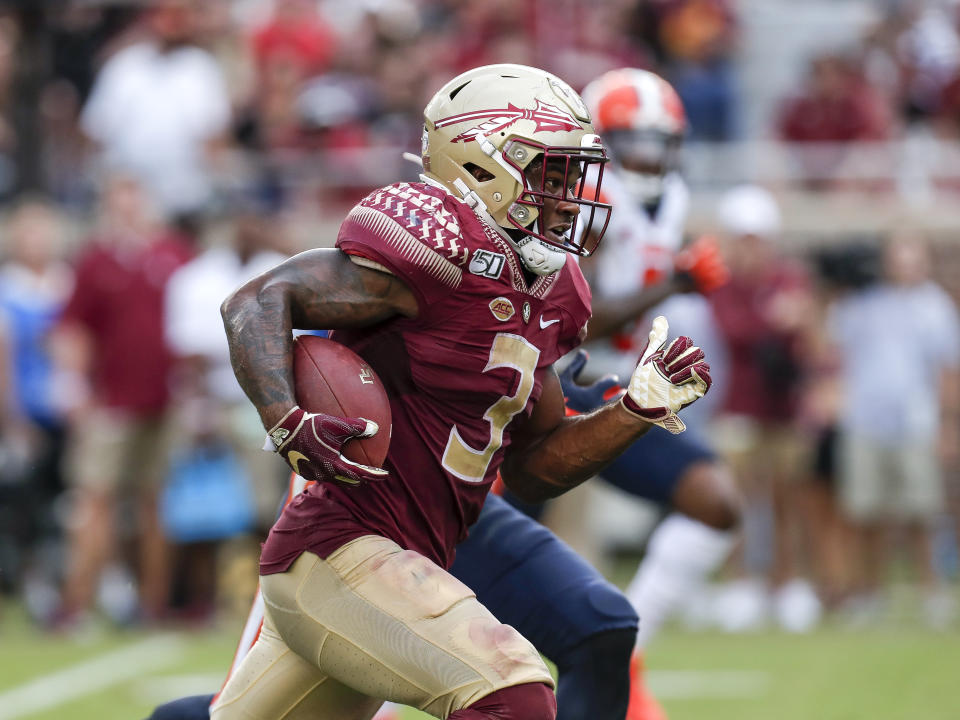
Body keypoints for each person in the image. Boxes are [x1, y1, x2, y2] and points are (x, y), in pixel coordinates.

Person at [208, 63, 711, 720]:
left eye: (573, 175)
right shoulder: (434, 240)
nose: (571, 196)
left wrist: (637, 409)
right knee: (514, 693)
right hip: (342, 547)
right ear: (481, 164)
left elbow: (533, 467)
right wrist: (285, 419)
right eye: (552, 173)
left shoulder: (559, 292)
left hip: (411, 554)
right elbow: (258, 300)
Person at [569, 68, 740, 720]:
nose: (646, 156)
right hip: (570, 381)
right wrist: (674, 282)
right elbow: (573, 317)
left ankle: (624, 657)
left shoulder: (667, 197)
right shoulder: (582, 197)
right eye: (631, 141)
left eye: (658, 142)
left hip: (621, 379)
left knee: (715, 503)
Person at [828, 228, 960, 627]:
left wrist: (948, 426)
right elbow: (831, 347)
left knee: (921, 512)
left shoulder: (934, 306)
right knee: (866, 514)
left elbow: (946, 370)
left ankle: (930, 592)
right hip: (866, 419)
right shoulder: (861, 302)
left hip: (916, 420)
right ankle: (870, 593)